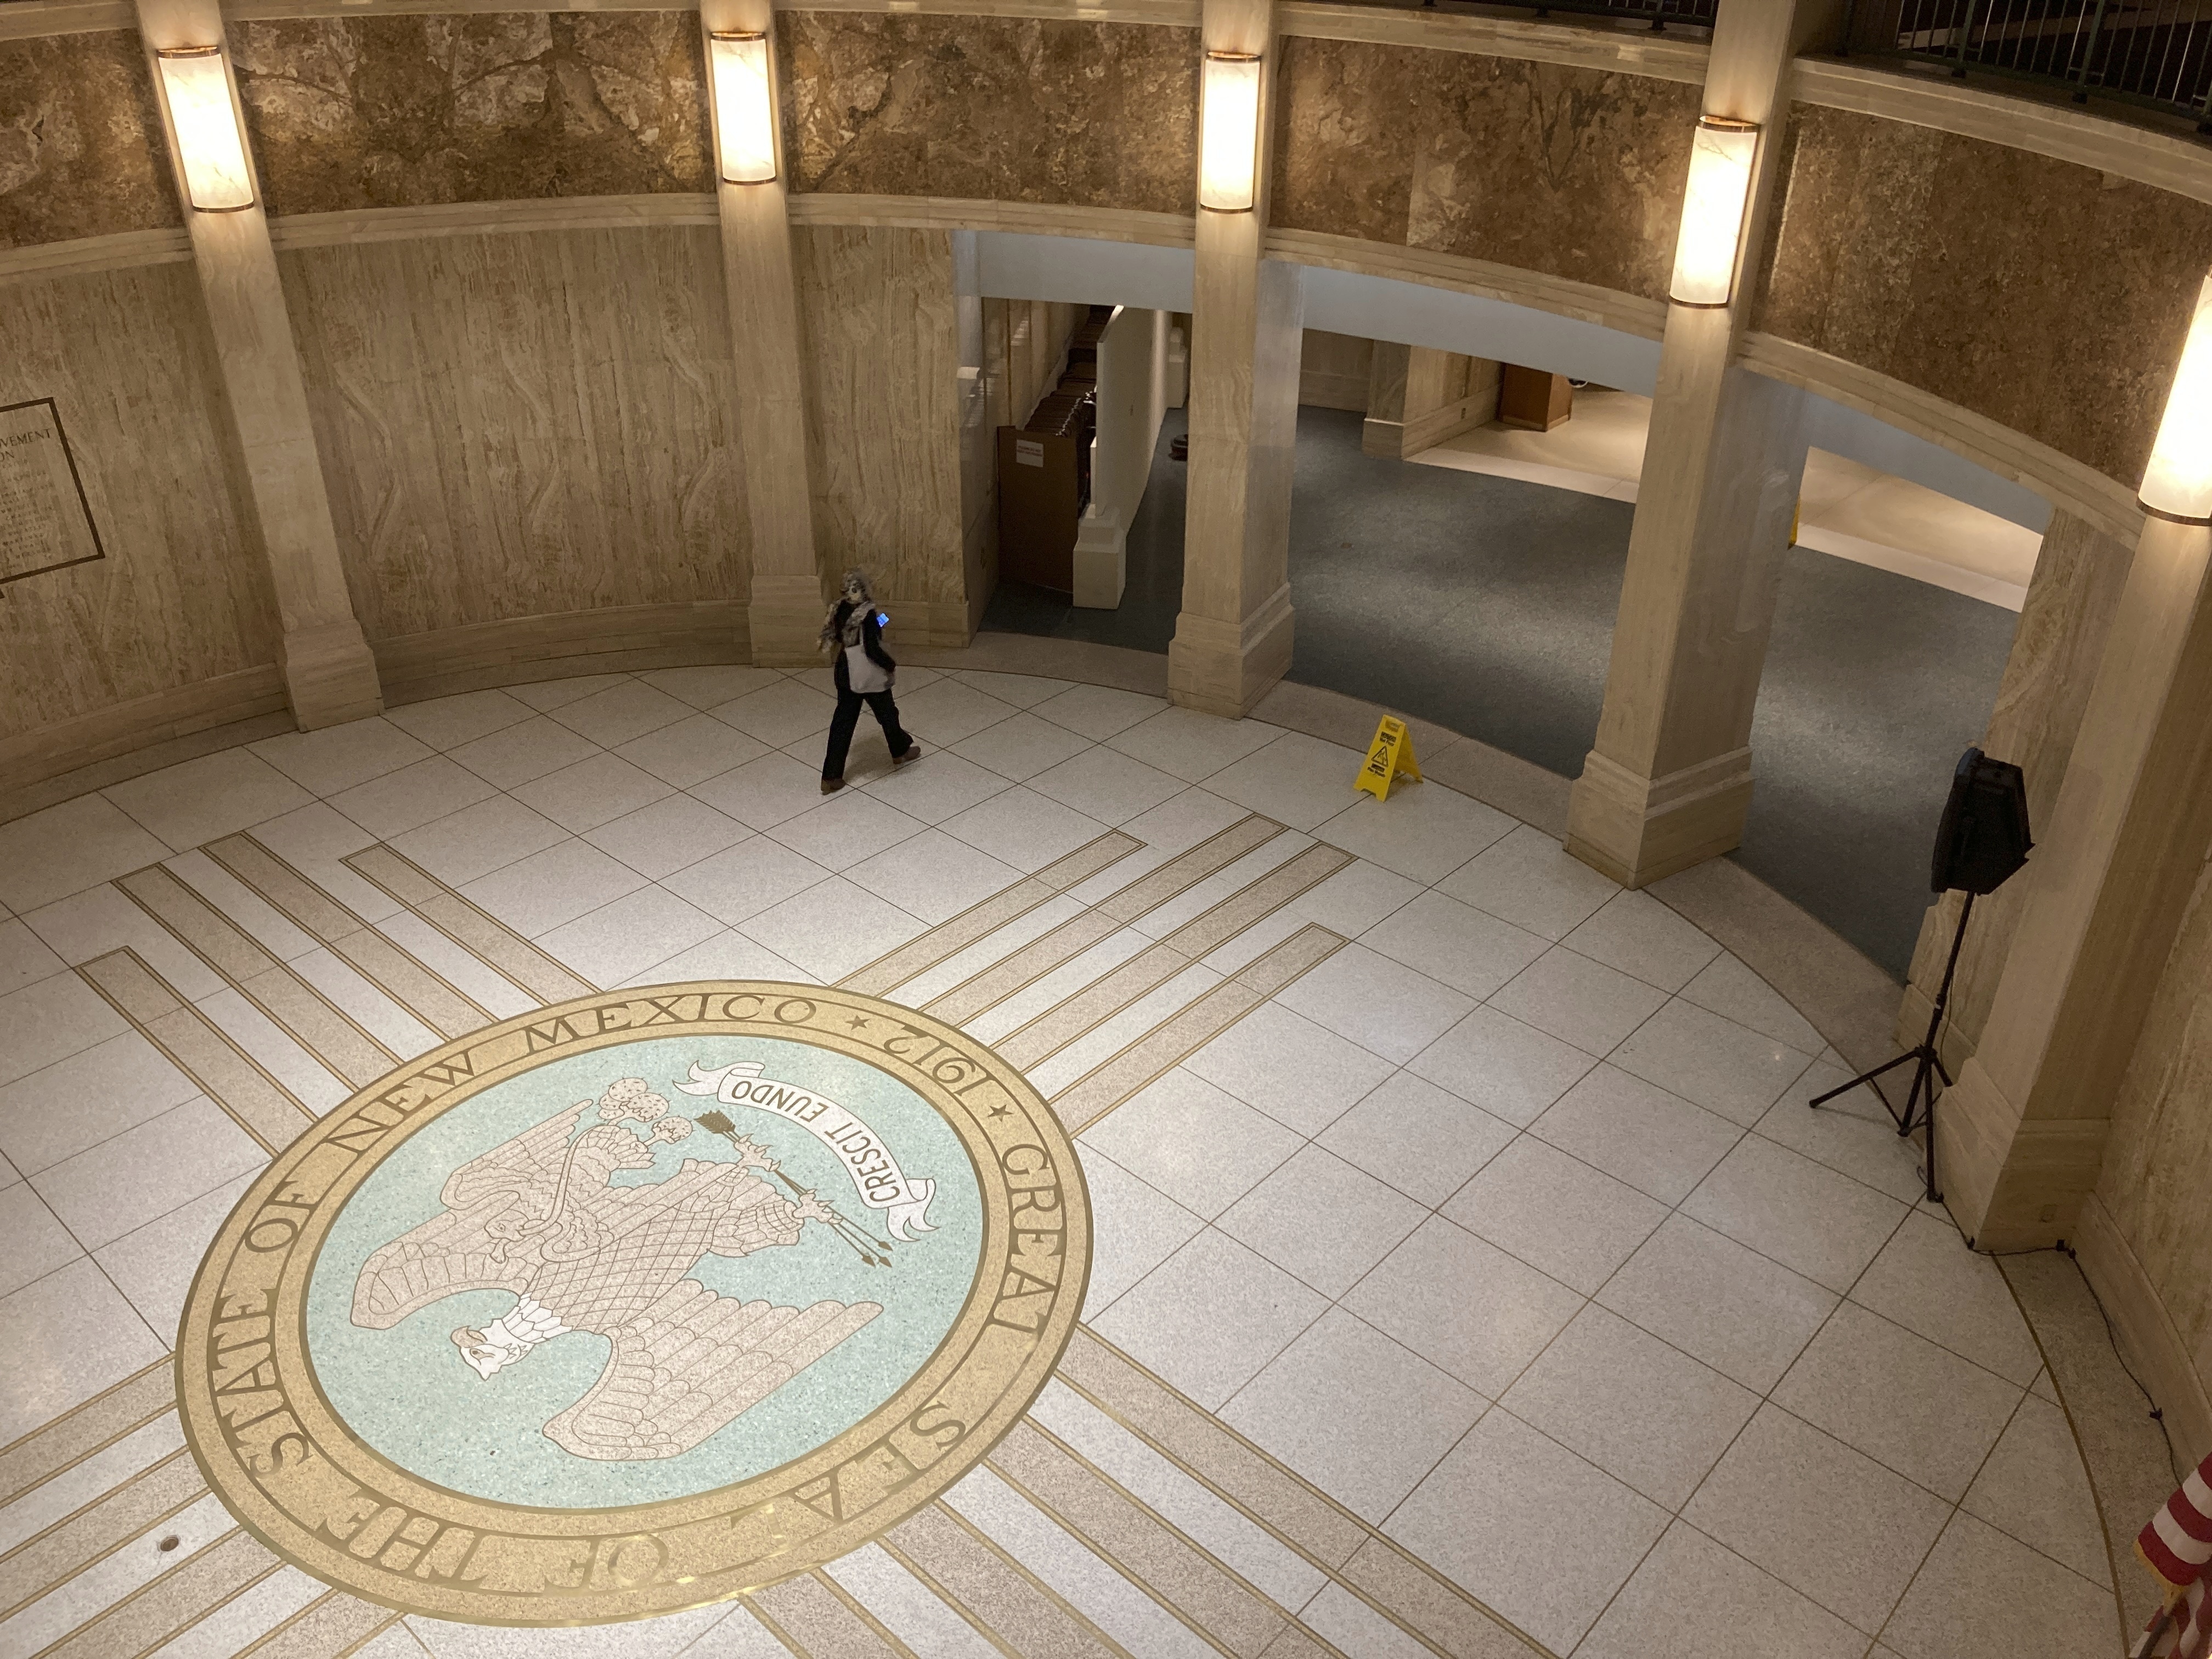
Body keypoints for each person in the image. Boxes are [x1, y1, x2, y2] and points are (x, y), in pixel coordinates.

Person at [818, 569, 919, 793]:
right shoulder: (867, 614)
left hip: (845, 673)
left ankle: (831, 776)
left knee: (842, 724)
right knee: (887, 713)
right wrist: (889, 664)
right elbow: (873, 648)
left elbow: (838, 637)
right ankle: (900, 750)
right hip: (869, 674)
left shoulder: (838, 609)